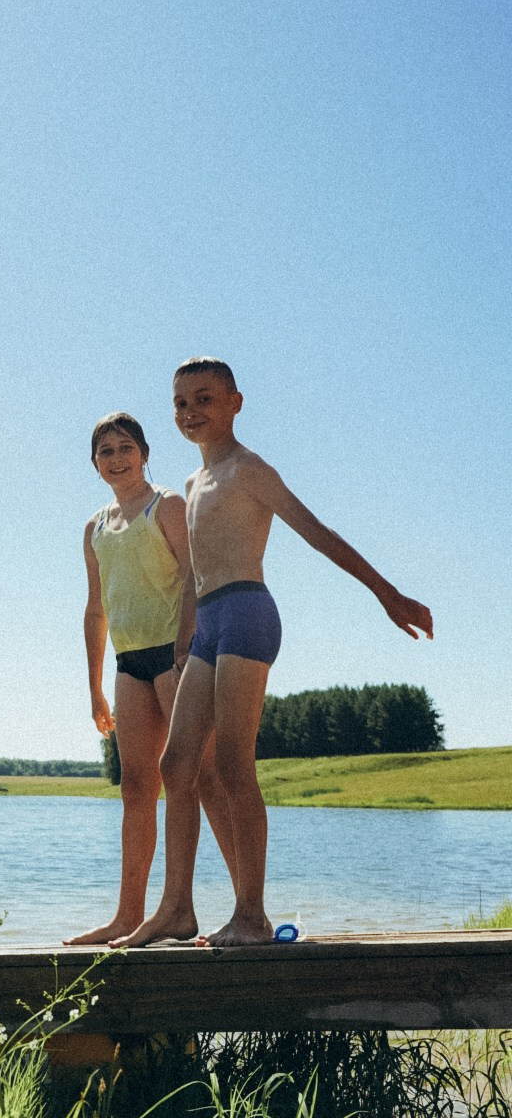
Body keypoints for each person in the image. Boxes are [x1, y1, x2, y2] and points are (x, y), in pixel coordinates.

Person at [111, 358, 433, 949]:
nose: (191, 413)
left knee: (233, 764)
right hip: (207, 626)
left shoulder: (249, 470)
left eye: (205, 399)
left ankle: (251, 915)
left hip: (248, 615)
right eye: (181, 403)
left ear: (236, 403)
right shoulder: (191, 484)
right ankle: (176, 910)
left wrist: (388, 594)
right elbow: (192, 576)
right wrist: (184, 642)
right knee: (176, 765)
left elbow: (317, 532)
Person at [64, 412, 236, 945]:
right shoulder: (95, 528)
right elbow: (96, 611)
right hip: (128, 663)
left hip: (174, 655)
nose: (117, 459)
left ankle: (246, 909)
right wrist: (94, 687)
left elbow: (194, 575)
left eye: (125, 448)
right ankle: (128, 916)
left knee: (203, 778)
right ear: (95, 466)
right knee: (137, 787)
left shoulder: (168, 506)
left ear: (144, 453)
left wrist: (188, 642)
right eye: (106, 452)